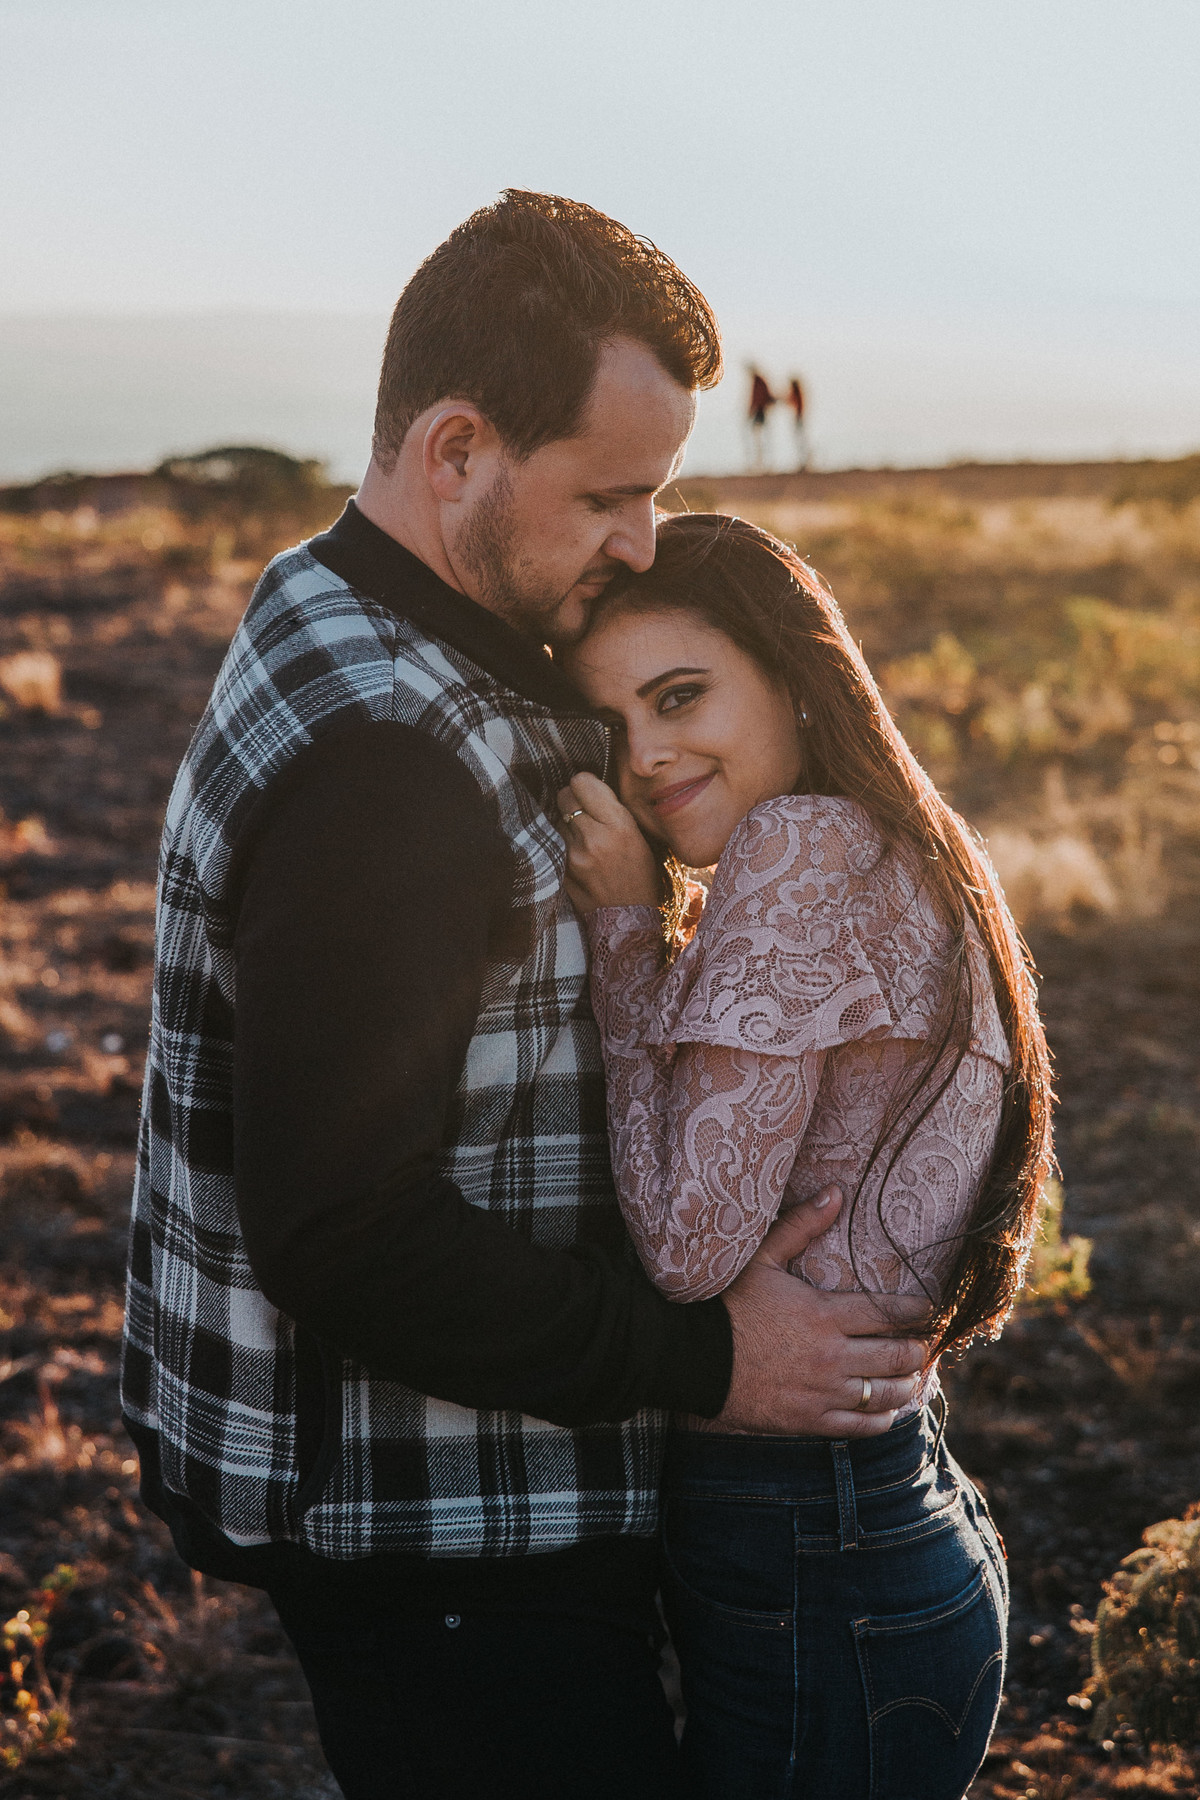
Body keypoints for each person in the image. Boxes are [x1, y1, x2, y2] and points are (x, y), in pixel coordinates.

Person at [119, 192, 931, 1800]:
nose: (641, 543)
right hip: (436, 1546)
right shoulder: (391, 770)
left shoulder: (336, 596)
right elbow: (346, 1231)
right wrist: (714, 1367)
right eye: (610, 496)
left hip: (439, 1503)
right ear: (457, 451)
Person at [559, 512, 1055, 1799]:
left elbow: (682, 1244)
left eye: (681, 695)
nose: (649, 757)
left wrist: (622, 932)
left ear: (791, 671)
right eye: (612, 728)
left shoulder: (796, 852)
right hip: (896, 1518)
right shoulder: (912, 847)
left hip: (813, 1556)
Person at [746, 366, 776, 471]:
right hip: (760, 411)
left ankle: (762, 462)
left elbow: (757, 398)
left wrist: (751, 411)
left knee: (760, 436)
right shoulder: (759, 381)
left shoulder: (758, 382)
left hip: (760, 411)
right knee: (760, 436)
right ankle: (762, 462)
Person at [786, 373, 810, 469]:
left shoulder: (797, 392)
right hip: (798, 417)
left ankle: (804, 462)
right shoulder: (796, 392)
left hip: (798, 417)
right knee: (800, 439)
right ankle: (803, 462)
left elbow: (794, 403)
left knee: (800, 440)